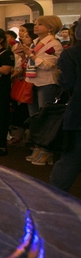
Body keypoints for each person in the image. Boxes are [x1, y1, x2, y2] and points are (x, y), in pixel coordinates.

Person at [24, 15, 64, 164]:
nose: (36, 26)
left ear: (50, 28)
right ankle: (38, 146)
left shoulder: (54, 44)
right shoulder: (36, 43)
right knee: (35, 117)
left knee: (45, 117)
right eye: (36, 23)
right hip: (32, 81)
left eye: (40, 24)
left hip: (46, 83)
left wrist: (32, 56)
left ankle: (46, 150)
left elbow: (49, 65)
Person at [50, 18, 81, 191]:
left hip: (78, 111)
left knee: (71, 158)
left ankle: (54, 201)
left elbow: (67, 83)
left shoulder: (72, 53)